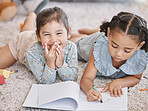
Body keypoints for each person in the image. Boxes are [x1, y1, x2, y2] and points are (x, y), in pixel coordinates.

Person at [74, 12, 148, 102]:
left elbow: (136, 78)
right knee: (73, 42)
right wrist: (89, 89)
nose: (118, 54)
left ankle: (94, 31)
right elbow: (87, 78)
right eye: (114, 46)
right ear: (108, 33)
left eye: (127, 50)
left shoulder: (141, 56)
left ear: (139, 46)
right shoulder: (99, 47)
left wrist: (120, 82)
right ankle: (88, 34)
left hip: (109, 37)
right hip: (90, 44)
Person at [0, 7, 78, 84]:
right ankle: (31, 18)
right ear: (38, 36)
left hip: (30, 36)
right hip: (21, 43)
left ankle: (31, 18)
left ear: (68, 32)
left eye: (59, 33)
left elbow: (73, 77)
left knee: (27, 31)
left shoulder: (71, 48)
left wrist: (61, 64)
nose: (53, 39)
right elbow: (46, 81)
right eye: (47, 34)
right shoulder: (31, 52)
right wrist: (50, 63)